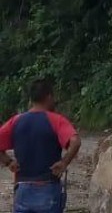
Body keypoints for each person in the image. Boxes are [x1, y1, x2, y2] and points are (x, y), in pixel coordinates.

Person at [0, 79, 81, 213]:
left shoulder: (16, 121)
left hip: (23, 189)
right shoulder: (56, 120)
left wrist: (8, 162)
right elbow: (75, 141)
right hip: (48, 188)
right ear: (49, 96)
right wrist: (64, 162)